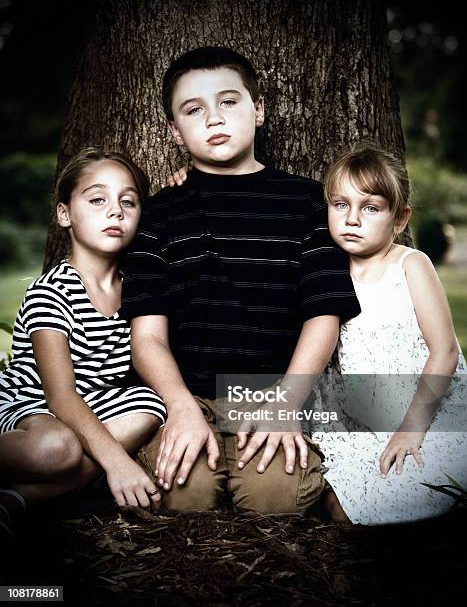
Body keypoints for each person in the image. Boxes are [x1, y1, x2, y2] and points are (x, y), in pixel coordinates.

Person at [120, 46, 361, 514]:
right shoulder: (159, 214)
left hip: (269, 392)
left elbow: (323, 314)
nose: (214, 119)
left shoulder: (308, 202)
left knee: (278, 501)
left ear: (260, 109)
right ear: (175, 130)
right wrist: (180, 408)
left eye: (229, 102)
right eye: (194, 110)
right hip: (188, 395)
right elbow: (146, 335)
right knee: (182, 497)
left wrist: (287, 402)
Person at [0, 148, 166, 537]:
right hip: (33, 404)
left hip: (96, 404)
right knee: (56, 449)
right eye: (97, 199)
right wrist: (118, 463)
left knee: (149, 406)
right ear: (64, 214)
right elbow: (59, 398)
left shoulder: (137, 291)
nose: (116, 211)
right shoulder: (50, 292)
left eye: (129, 201)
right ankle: (48, 486)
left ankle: (17, 498)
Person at [314, 144, 467, 524]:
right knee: (342, 506)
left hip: (425, 414)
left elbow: (445, 351)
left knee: (417, 493)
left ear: (400, 219)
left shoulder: (410, 265)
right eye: (340, 205)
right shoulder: (325, 271)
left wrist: (411, 429)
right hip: (358, 422)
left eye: (370, 208)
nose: (352, 218)